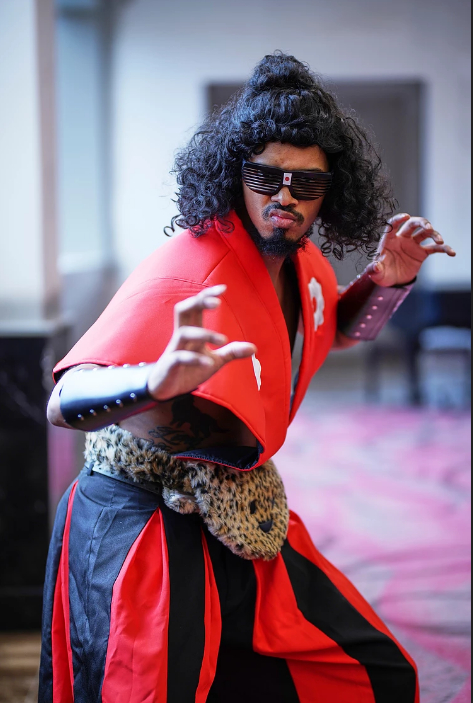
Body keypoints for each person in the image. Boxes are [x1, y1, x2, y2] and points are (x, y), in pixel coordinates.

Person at [39, 53, 456, 703]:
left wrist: (386, 283)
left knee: (369, 674)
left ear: (331, 191)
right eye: (265, 177)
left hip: (238, 506)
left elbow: (331, 332)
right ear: (234, 175)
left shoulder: (306, 263)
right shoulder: (188, 267)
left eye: (305, 183)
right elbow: (63, 400)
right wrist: (154, 380)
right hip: (140, 520)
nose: (283, 197)